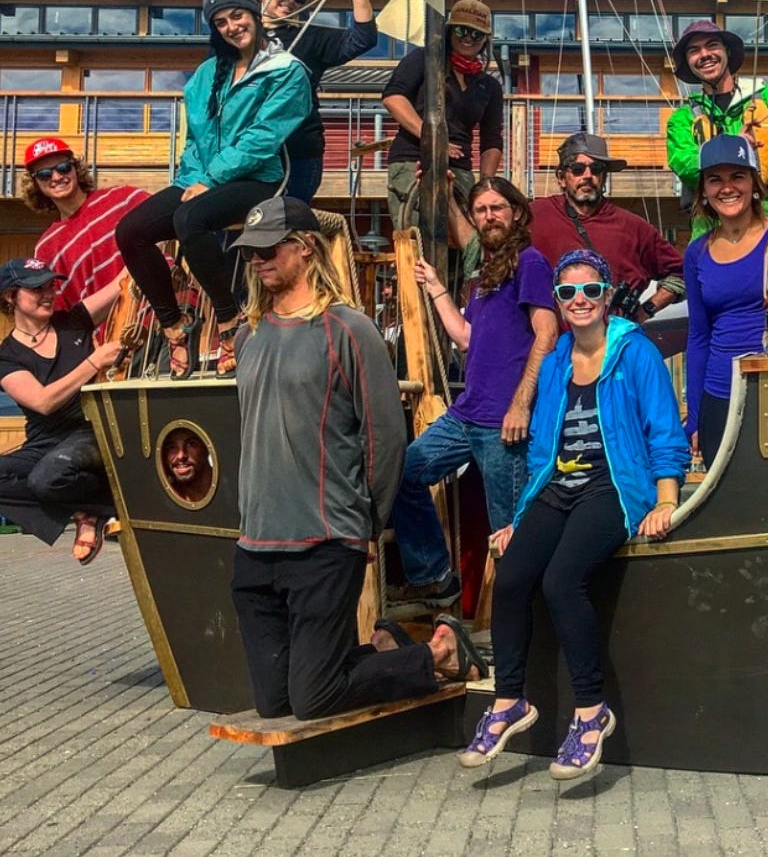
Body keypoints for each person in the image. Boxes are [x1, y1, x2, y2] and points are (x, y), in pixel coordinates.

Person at [227, 196, 486, 721]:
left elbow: (386, 441)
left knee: (312, 698)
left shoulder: (349, 329)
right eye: (250, 252)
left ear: (304, 248)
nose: (257, 260)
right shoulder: (248, 335)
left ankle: (439, 652)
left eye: (269, 248)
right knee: (275, 701)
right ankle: (388, 648)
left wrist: (365, 526)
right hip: (255, 542)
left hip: (326, 537)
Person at [458, 249, 689, 779]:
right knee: (512, 576)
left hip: (613, 487)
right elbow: (541, 446)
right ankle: (509, 699)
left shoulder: (635, 353)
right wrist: (521, 515)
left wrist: (666, 498)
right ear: (558, 303)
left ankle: (591, 711)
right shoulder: (559, 355)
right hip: (558, 485)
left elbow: (663, 430)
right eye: (567, 293)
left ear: (607, 296)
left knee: (563, 581)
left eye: (589, 291)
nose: (579, 300)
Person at [115, 0, 312, 379]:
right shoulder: (206, 74)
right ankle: (175, 326)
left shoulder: (286, 71)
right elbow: (194, 138)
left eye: (237, 16)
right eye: (220, 22)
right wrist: (191, 178)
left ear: (254, 15)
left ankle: (228, 320)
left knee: (191, 219)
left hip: (258, 177)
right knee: (130, 230)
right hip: (202, 177)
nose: (231, 26)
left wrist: (212, 178)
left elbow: (262, 138)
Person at [388, 178, 558, 605]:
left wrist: (521, 404)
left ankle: (523, 638)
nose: (489, 217)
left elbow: (547, 333)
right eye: (481, 210)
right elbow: (467, 337)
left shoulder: (530, 262)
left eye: (497, 208)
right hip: (467, 415)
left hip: (504, 423)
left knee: (509, 536)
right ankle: (434, 575)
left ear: (516, 212)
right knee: (403, 473)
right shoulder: (487, 273)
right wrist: (436, 289)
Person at [684, 135, 768, 464]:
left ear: (754, 183)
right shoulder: (696, 252)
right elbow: (699, 335)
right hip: (720, 394)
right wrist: (696, 416)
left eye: (737, 176)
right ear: (703, 190)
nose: (727, 188)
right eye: (715, 180)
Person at [0, 258, 122, 564]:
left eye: (51, 285)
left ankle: (92, 507)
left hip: (88, 429)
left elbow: (122, 283)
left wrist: (154, 237)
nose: (49, 293)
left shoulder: (75, 321)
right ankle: (89, 509)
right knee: (34, 474)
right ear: (10, 296)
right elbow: (43, 402)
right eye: (36, 288)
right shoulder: (7, 356)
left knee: (46, 478)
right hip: (44, 442)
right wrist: (95, 362)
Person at [666, 19, 768, 235]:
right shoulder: (683, 117)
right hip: (710, 228)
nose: (704, 54)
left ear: (727, 51)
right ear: (688, 62)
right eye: (694, 50)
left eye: (712, 45)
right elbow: (684, 164)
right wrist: (736, 147)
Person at [254, 0, 379, 203]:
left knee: (290, 226)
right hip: (252, 149)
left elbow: (364, 37)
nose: (290, 0)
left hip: (300, 150)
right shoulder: (241, 34)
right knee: (240, 224)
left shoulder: (311, 36)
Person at [528, 131, 684, 321]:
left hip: (613, 344)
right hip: (552, 346)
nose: (587, 175)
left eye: (596, 168)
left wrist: (646, 310)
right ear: (561, 177)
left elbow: (683, 273)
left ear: (604, 177)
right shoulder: (534, 216)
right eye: (577, 169)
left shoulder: (633, 227)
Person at [382, 0, 504, 241]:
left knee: (471, 242)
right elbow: (393, 98)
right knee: (417, 239)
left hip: (460, 170)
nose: (468, 38)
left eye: (477, 34)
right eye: (461, 30)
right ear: (449, 31)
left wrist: (486, 186)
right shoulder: (424, 60)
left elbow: (492, 140)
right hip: (413, 160)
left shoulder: (488, 85)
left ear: (485, 40)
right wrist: (435, 139)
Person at [21, 136, 148, 316]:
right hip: (112, 339)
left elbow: (167, 226)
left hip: (165, 316)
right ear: (34, 183)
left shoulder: (123, 198)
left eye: (63, 167)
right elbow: (61, 311)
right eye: (45, 174)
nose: (57, 177)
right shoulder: (47, 248)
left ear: (75, 168)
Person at [160, 427, 214, 504]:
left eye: (191, 444)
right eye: (171, 447)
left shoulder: (230, 488)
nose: (181, 456)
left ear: (206, 448)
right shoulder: (161, 502)